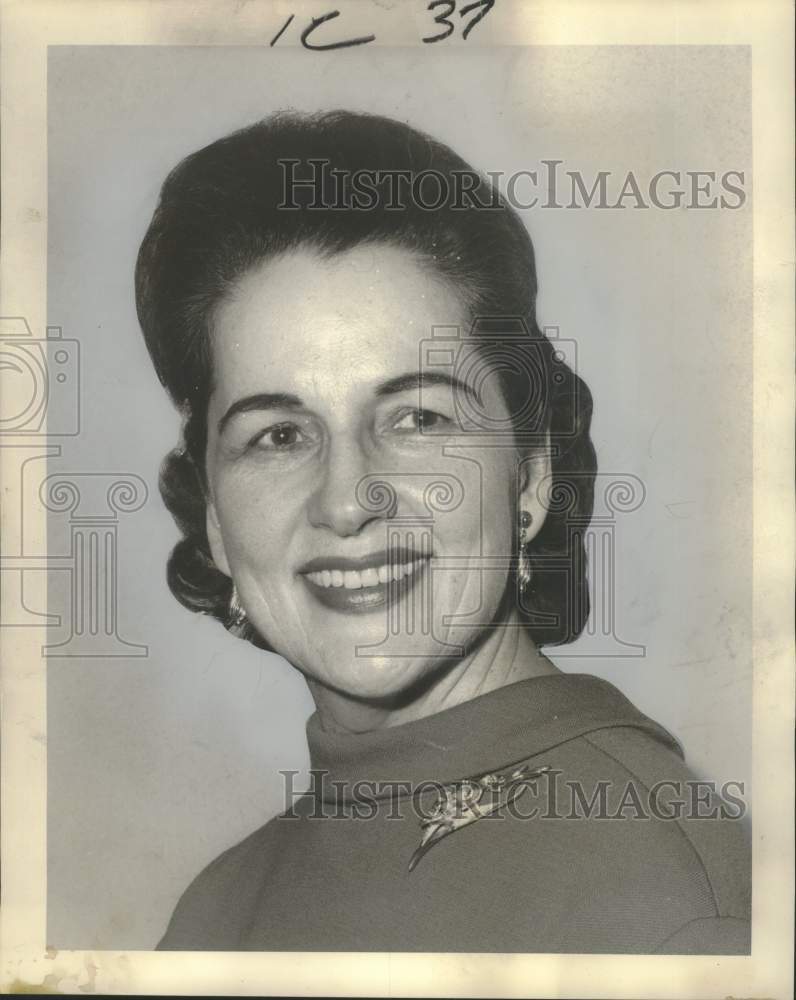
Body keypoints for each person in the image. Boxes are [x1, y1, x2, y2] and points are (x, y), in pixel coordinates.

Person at [135, 110, 750, 953]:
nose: (347, 501)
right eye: (278, 435)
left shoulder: (659, 890)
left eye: (418, 418)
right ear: (212, 513)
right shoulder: (216, 910)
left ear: (529, 476)